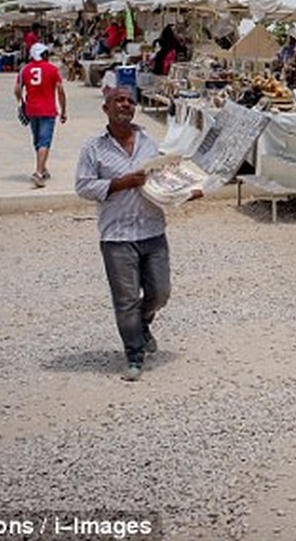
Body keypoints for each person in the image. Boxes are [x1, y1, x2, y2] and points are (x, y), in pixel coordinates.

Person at [74, 87, 199, 381]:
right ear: (105, 108)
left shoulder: (149, 143)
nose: (126, 105)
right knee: (126, 299)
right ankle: (134, 355)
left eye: (130, 101)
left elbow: (161, 179)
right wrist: (122, 182)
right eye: (119, 100)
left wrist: (184, 192)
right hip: (116, 235)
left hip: (152, 229)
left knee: (160, 292)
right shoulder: (93, 148)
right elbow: (83, 186)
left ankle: (142, 323)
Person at [14, 43, 67, 187]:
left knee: (37, 140)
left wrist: (21, 102)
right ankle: (38, 172)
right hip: (48, 110)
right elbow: (60, 91)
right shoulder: (52, 69)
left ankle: (43, 168)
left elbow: (17, 89)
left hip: (32, 110)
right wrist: (63, 110)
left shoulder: (24, 70)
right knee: (45, 141)